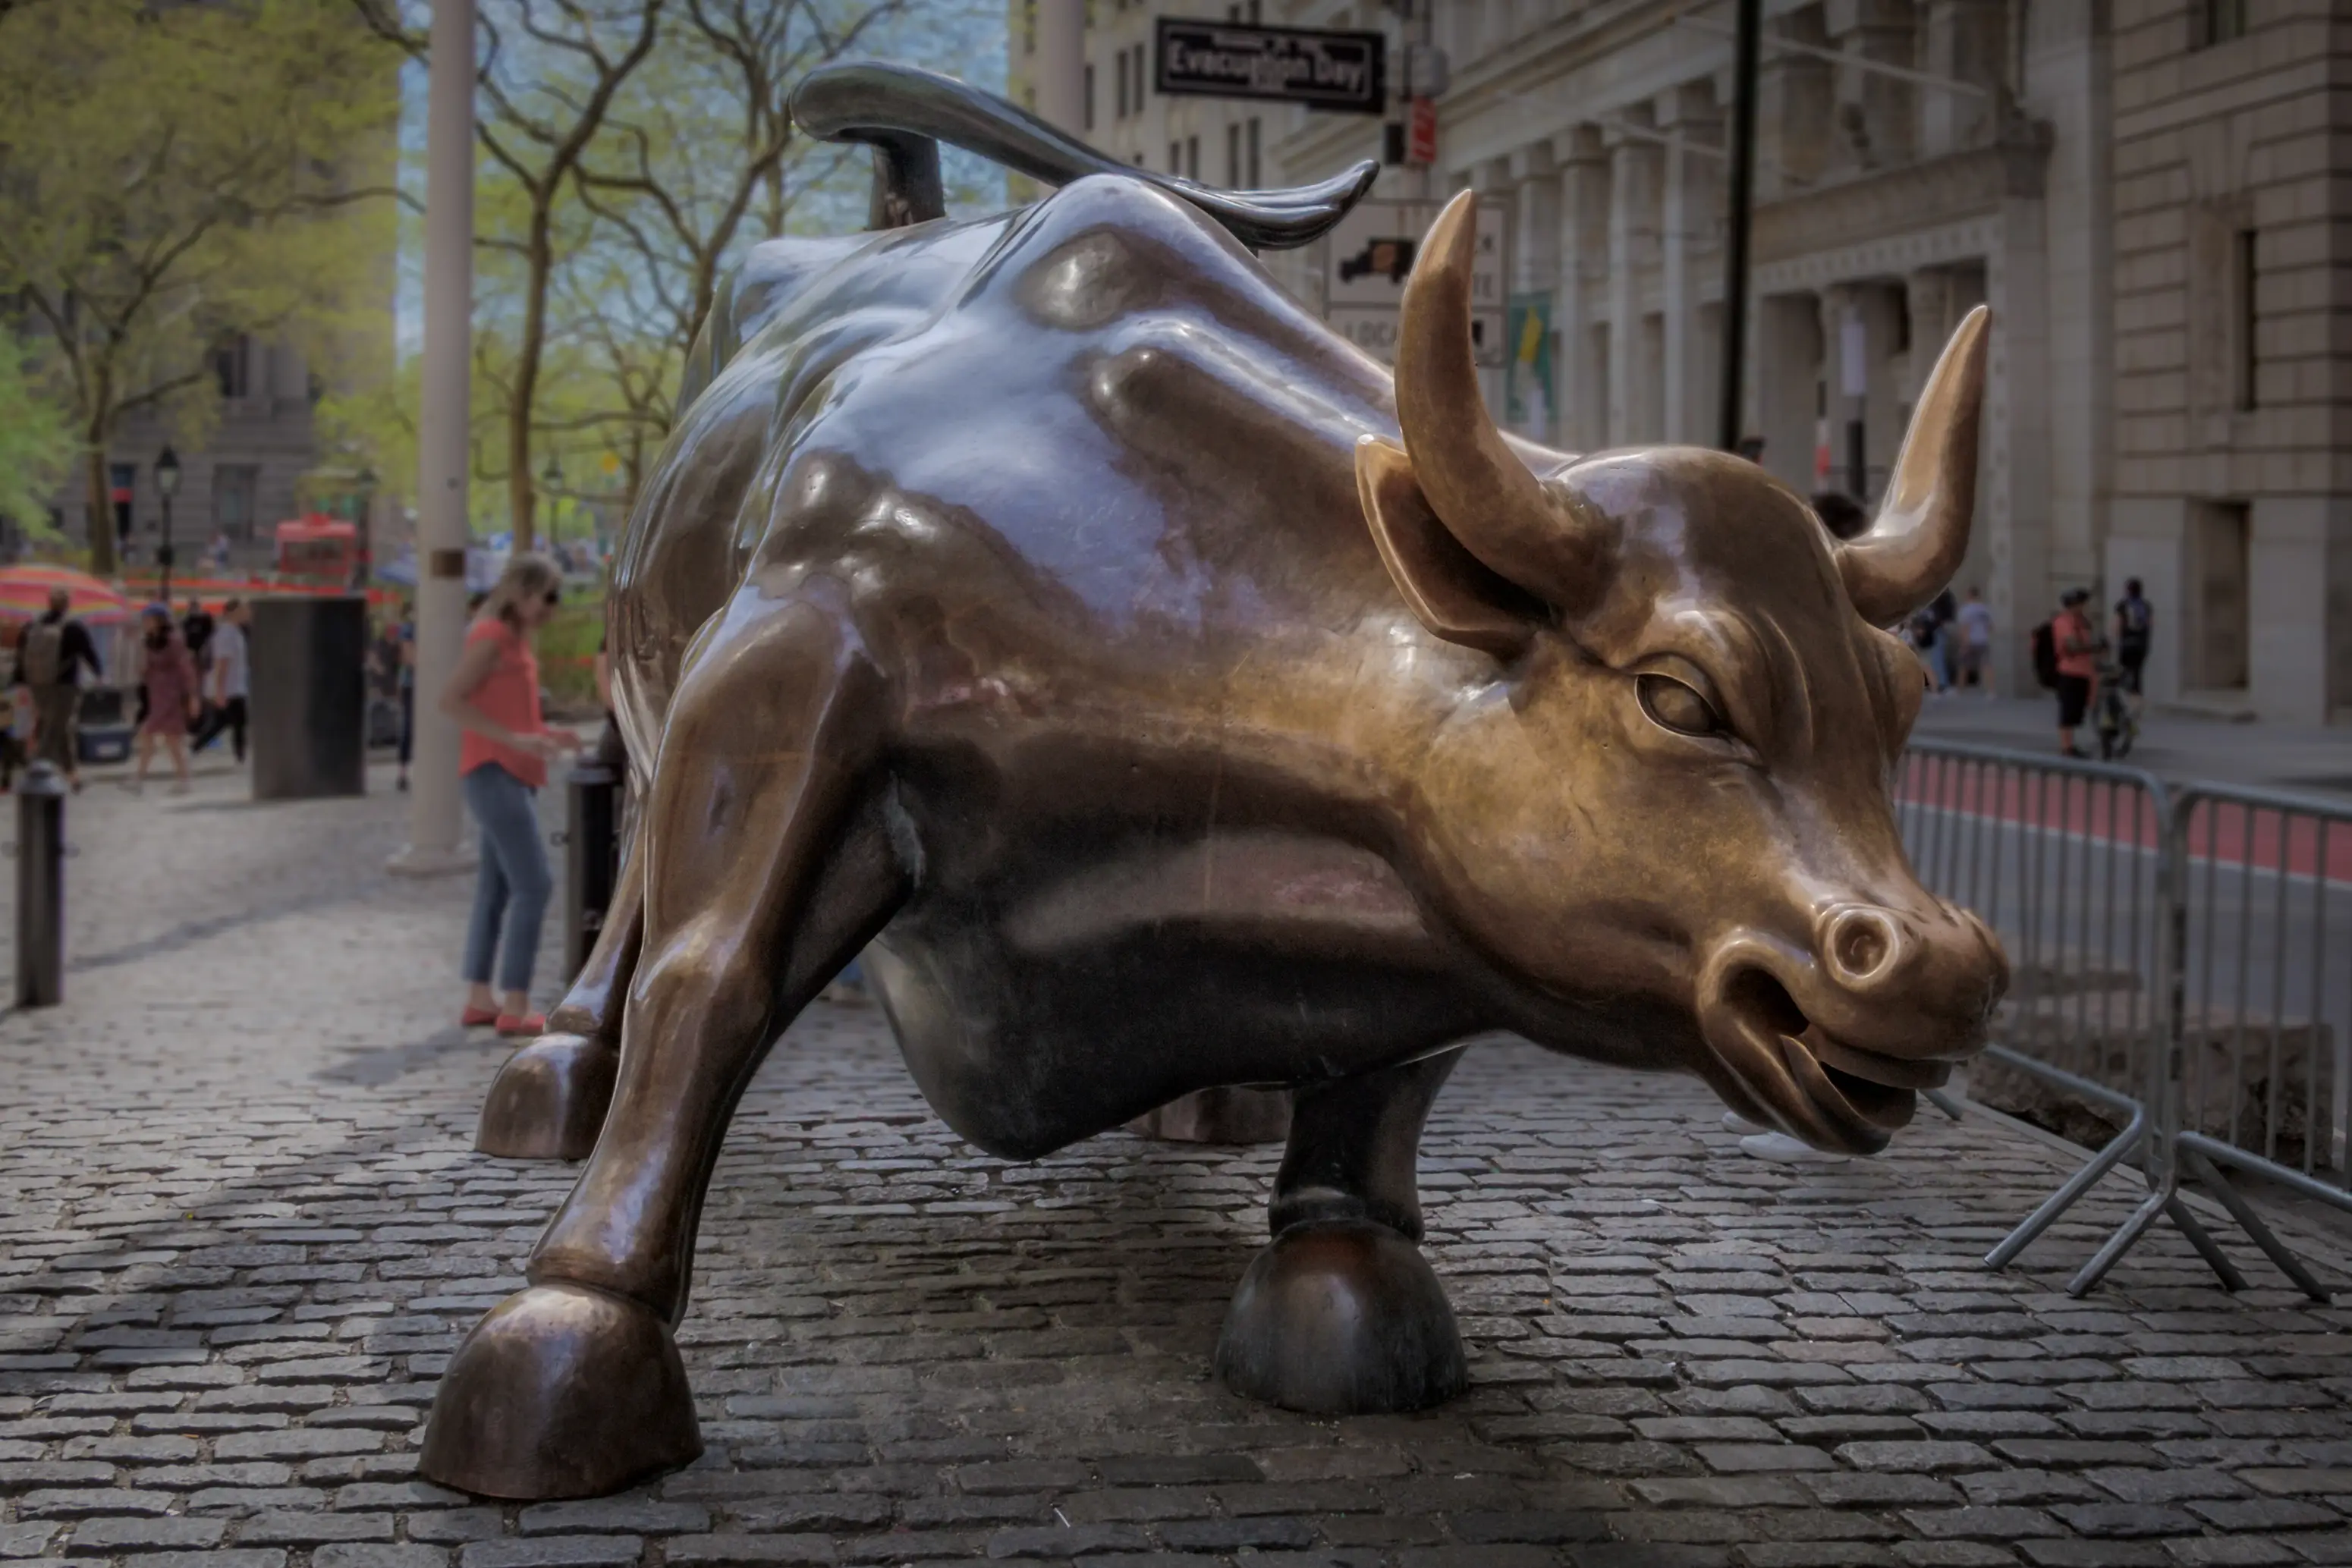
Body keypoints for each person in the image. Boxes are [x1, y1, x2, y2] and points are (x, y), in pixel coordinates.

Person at [442, 555, 580, 1035]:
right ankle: (516, 1004)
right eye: (548, 597)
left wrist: (545, 733)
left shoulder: (511, 640)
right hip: (493, 771)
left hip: (510, 771)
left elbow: (511, 714)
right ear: (521, 593)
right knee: (534, 885)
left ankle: (481, 996)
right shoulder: (492, 638)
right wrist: (515, 740)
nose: (552, 609)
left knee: (496, 888)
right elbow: (451, 700)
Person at [11, 586, 100, 792]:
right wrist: (99, 673)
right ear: (67, 605)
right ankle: (35, 771)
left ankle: (73, 777)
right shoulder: (73, 627)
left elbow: (21, 655)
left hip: (38, 686)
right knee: (55, 729)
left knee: (58, 728)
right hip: (65, 687)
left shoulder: (33, 626)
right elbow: (89, 653)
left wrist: (22, 681)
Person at [130, 605, 200, 793]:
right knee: (172, 740)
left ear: (159, 620)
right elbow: (150, 667)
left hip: (172, 694)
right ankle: (184, 780)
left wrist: (193, 695)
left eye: (148, 619)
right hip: (157, 693)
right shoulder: (150, 641)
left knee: (147, 732)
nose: (145, 623)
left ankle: (139, 779)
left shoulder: (173, 640)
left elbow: (186, 667)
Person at [192, 599, 250, 762]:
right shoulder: (226, 634)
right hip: (230, 689)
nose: (247, 614)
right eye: (243, 610)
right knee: (237, 723)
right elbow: (221, 664)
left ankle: (195, 748)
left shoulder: (236, 632)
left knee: (221, 723)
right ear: (232, 612)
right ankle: (240, 757)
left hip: (235, 687)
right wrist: (220, 691)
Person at [2053, 587, 2103, 758]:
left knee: (2076, 712)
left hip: (2084, 672)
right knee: (2068, 710)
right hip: (2070, 672)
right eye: (2082, 604)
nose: (2085, 607)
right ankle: (2066, 747)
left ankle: (2071, 745)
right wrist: (2094, 648)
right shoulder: (2064, 622)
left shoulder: (2083, 622)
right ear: (2074, 605)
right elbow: (2072, 646)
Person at [2113, 577, 2152, 710]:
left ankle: (2128, 699)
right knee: (2137, 673)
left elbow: (2117, 627)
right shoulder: (2146, 606)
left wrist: (2115, 640)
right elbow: (2150, 625)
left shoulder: (2122, 605)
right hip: (2141, 645)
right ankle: (2137, 702)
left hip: (2126, 644)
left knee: (2123, 671)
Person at [1954, 586, 1993, 693]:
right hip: (1983, 640)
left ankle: (1960, 690)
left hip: (1970, 641)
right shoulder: (1985, 609)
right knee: (1986, 666)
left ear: (1969, 595)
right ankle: (1991, 692)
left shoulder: (1966, 610)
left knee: (1963, 666)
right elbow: (1990, 627)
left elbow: (1965, 627)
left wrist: (1963, 644)